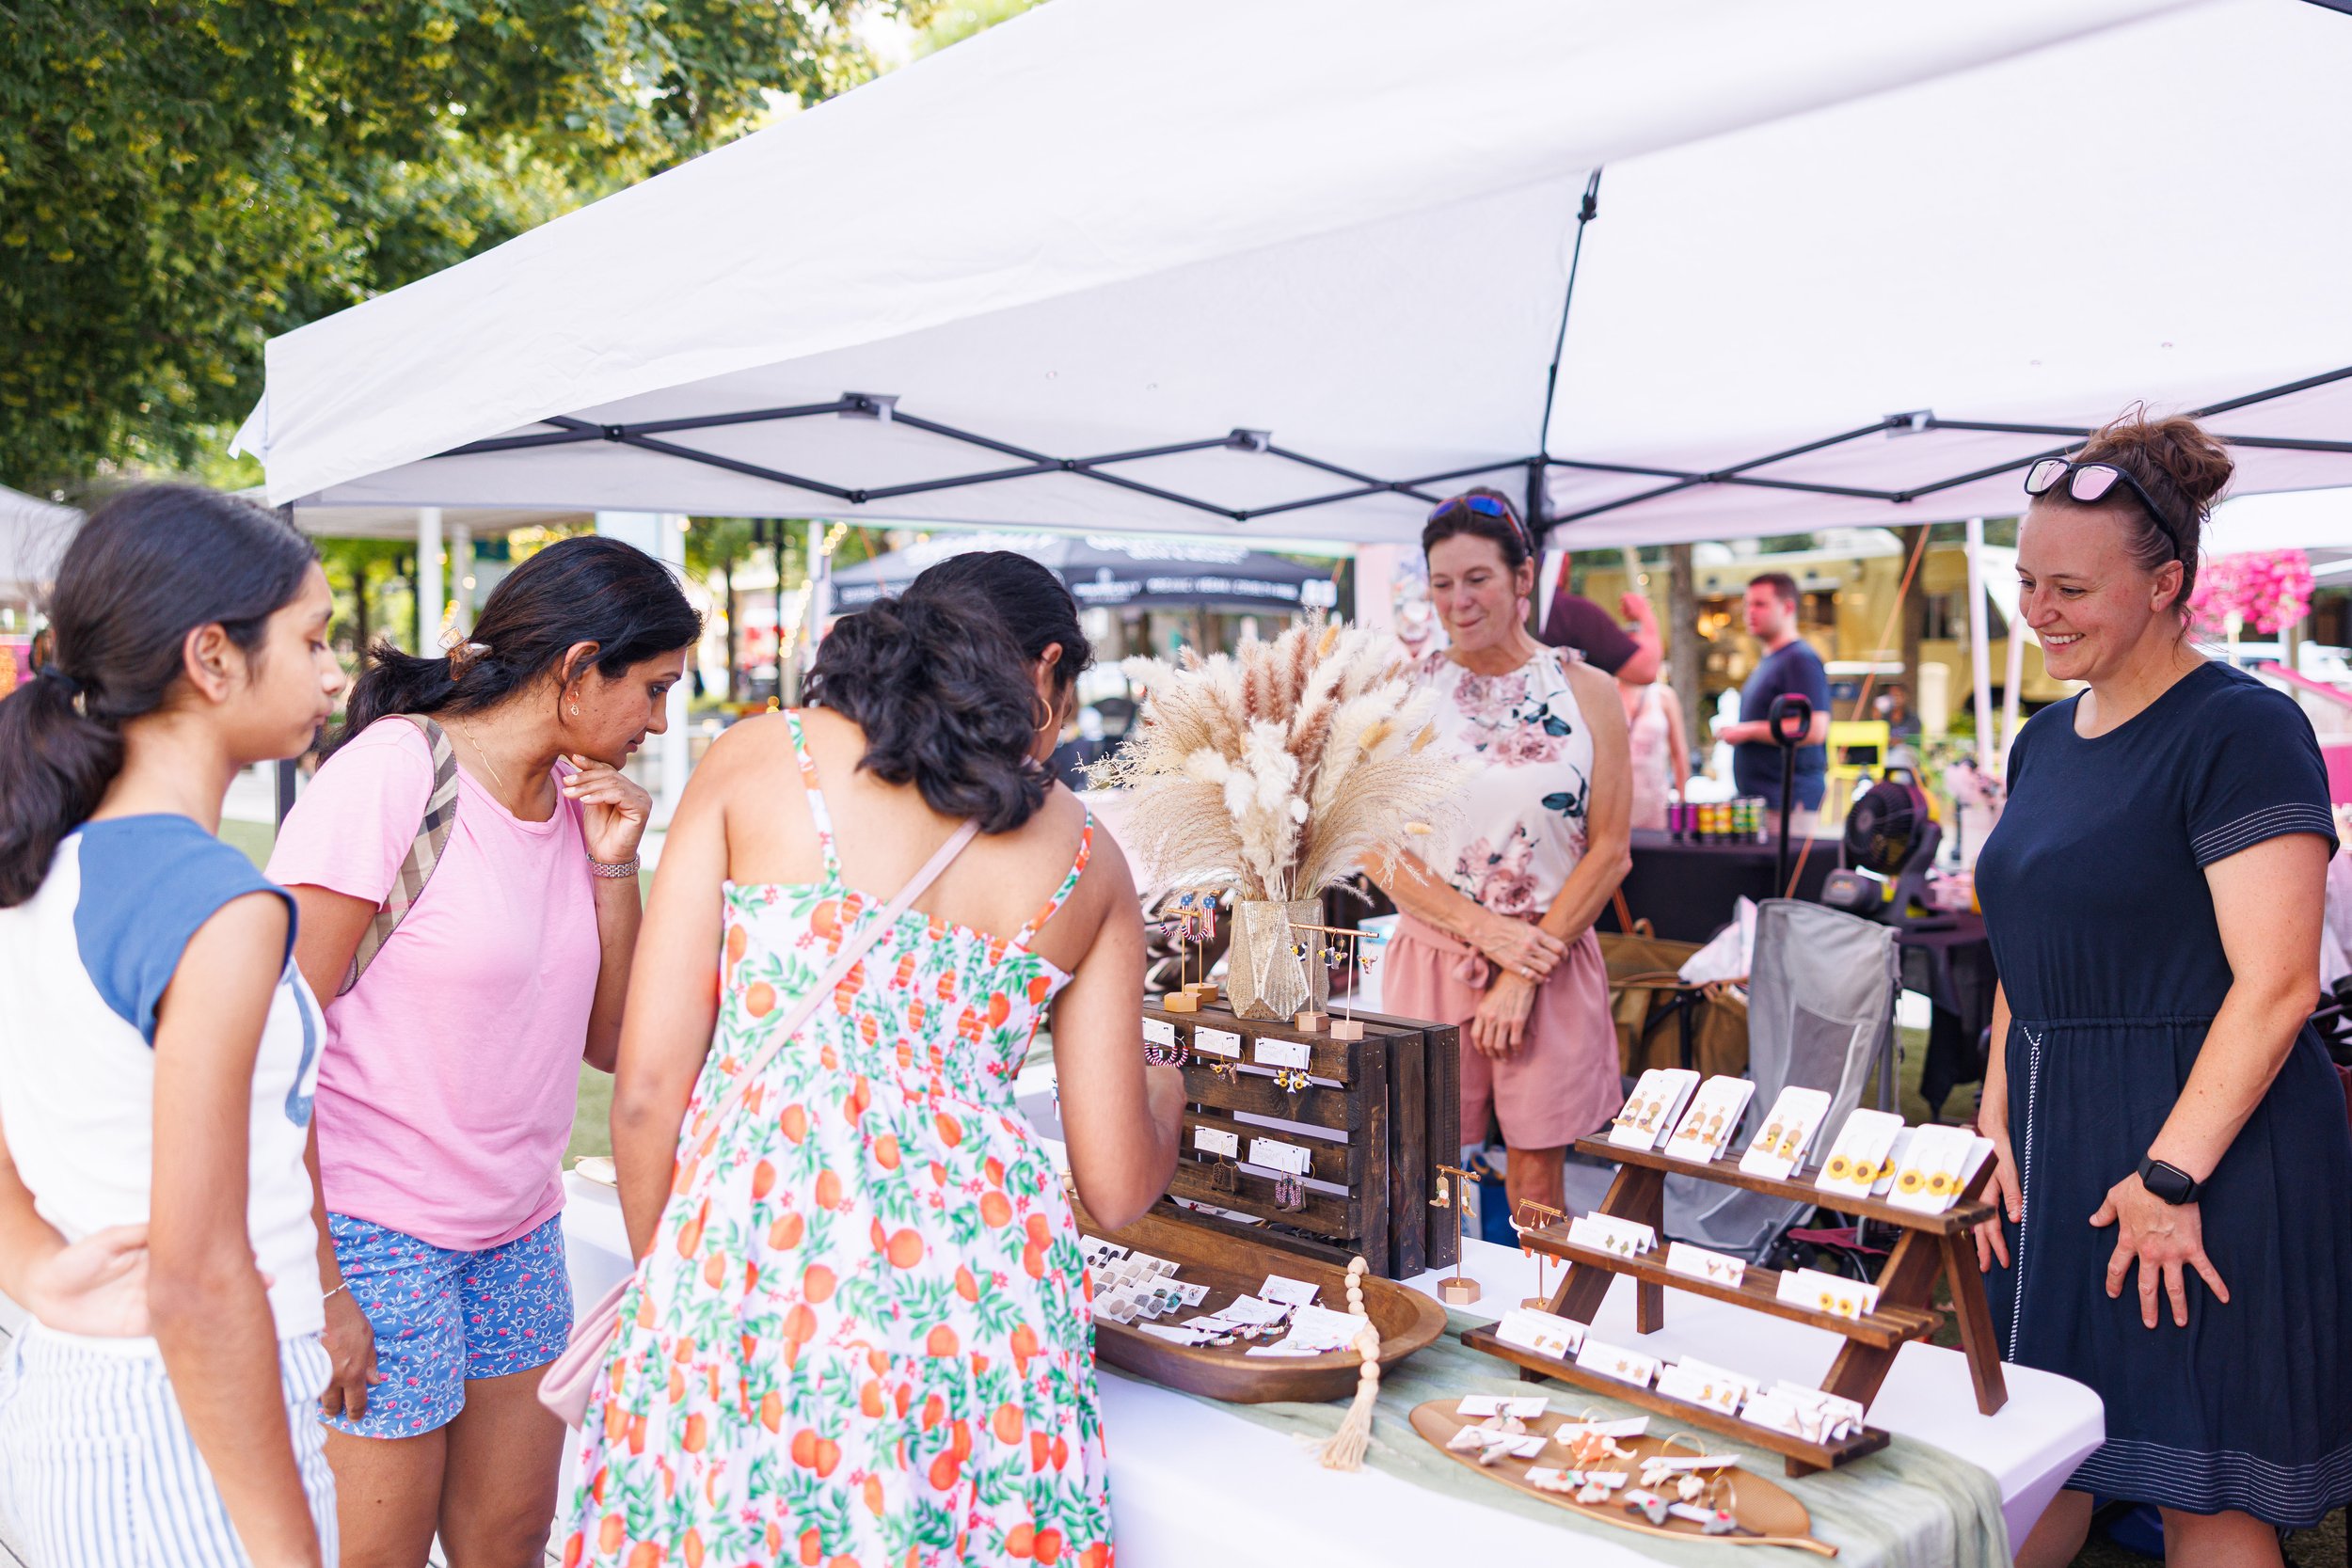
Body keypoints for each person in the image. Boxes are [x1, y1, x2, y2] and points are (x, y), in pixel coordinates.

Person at [564, 551, 1184, 1568]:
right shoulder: (1087, 856)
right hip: (985, 1307)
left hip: (758, 1273)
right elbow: (1115, 1185)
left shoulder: (764, 757)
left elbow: (644, 1096)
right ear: (1045, 669)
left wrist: (674, 1286)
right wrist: (1166, 1092)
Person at [269, 537, 699, 1568]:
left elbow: (611, 1043)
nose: (658, 721)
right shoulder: (393, 775)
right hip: (375, 1234)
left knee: (511, 1539)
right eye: (652, 688)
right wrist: (323, 1284)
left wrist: (617, 866)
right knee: (379, 1551)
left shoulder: (578, 801)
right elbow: (271, 1039)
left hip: (518, 1229)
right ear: (579, 666)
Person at [1972, 411, 2352, 1566]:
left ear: (2165, 584)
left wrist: (2169, 1174)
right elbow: (2023, 945)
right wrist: (1993, 1118)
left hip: (2204, 1151)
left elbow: (2278, 984)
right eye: (2027, 581)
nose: (2038, 610)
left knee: (2205, 1495)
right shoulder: (2043, 738)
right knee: (2041, 1455)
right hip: (2056, 1146)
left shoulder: (2241, 728)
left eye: (2069, 588)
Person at [0, 486, 345, 1566]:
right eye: (313, 639)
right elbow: (200, 1275)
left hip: (86, 1390)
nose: (335, 674)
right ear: (212, 657)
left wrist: (32, 1266)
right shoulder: (213, 904)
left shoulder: (44, 857)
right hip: (187, 1420)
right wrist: (287, 1548)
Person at [1371, 492, 1632, 1218]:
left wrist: (1521, 968)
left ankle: (1540, 1296)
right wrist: (1486, 931)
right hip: (1434, 958)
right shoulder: (1402, 696)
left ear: (1524, 577)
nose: (1458, 600)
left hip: (1550, 957)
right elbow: (1375, 846)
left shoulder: (1590, 694)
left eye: (1478, 578)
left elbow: (1610, 851)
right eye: (1443, 582)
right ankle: (1442, 1298)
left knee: (1537, 1186)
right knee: (1423, 1176)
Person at [1714, 573, 1830, 840]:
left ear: (1788, 607)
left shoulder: (1799, 659)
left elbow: (1813, 728)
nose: (1750, 612)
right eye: (1747, 605)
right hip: (1762, 801)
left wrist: (1748, 731)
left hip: (1787, 802)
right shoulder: (1771, 660)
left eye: (1760, 604)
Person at [1621, 675, 1690, 832]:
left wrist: (1682, 803)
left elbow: (1679, 753)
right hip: (1615, 803)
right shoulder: (1606, 690)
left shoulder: (1663, 696)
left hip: (1655, 802)